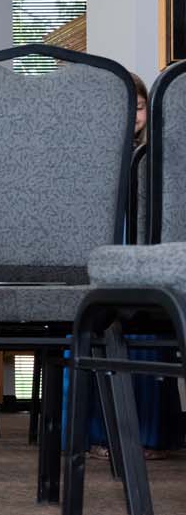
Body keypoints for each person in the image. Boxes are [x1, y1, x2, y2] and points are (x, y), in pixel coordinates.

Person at [89, 70, 181, 460]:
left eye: (139, 107)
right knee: (102, 327)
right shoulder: (91, 161)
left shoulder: (162, 161)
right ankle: (98, 434)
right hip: (107, 256)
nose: (133, 116)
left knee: (146, 332)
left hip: (147, 255)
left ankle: (151, 435)